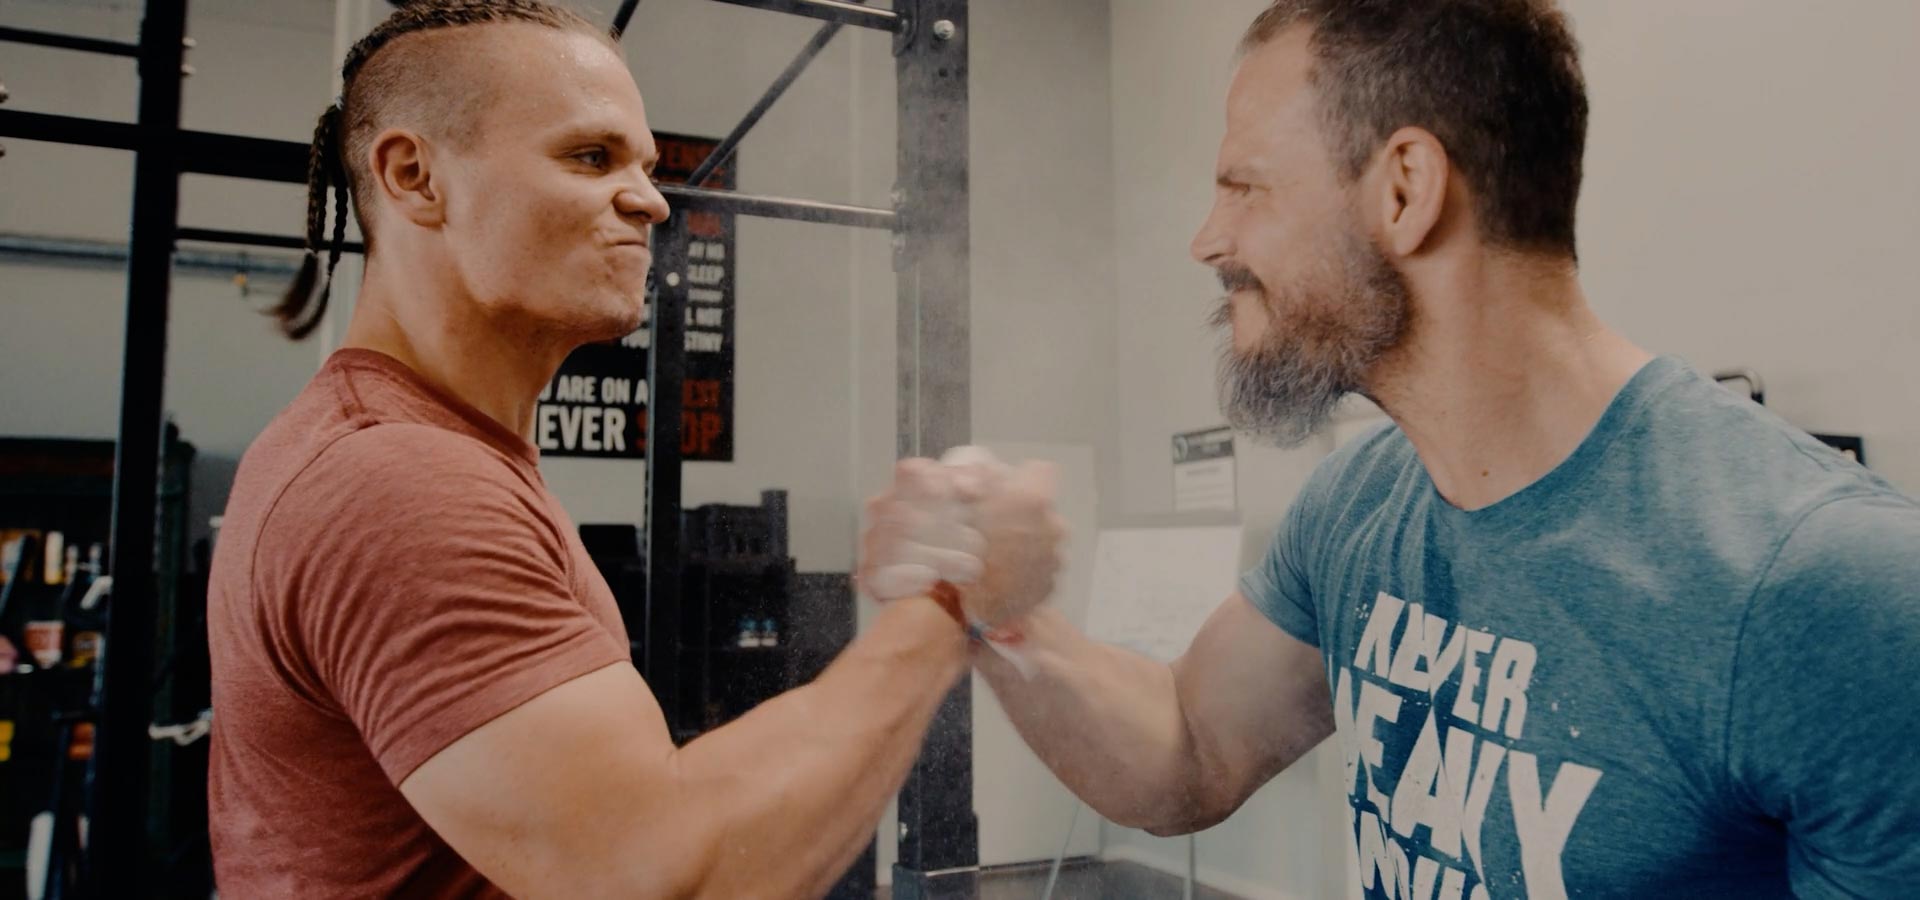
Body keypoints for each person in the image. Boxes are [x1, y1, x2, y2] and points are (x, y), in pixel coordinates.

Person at [869, 1, 1920, 897]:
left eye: (1244, 186)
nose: (1208, 239)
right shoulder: (1361, 503)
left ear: (1406, 189)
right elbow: (1191, 745)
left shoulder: (1830, 594)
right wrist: (996, 607)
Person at [205, 2, 1061, 896]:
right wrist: (952, 599)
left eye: (647, 167)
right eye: (591, 157)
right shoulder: (394, 481)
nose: (651, 200)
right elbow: (664, 876)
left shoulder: (426, 450)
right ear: (415, 177)